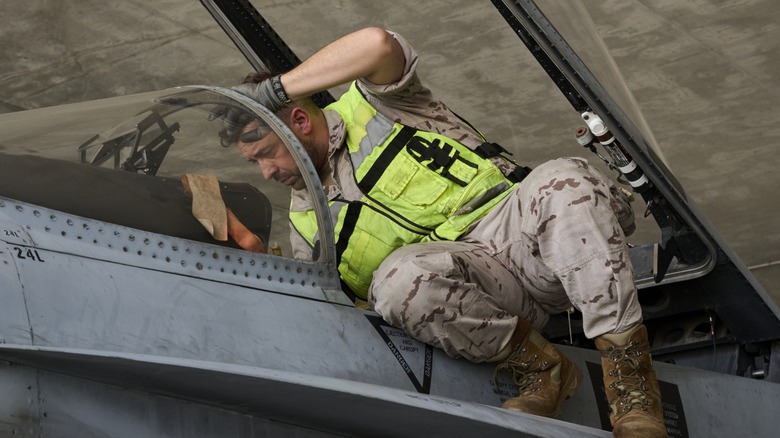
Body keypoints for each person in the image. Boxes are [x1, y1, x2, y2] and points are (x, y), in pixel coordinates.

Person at [224, 27, 667, 437]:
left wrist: (274, 91)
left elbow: (378, 44)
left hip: (529, 237)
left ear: (300, 121)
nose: (266, 173)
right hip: (486, 298)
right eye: (254, 163)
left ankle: (630, 387)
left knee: (563, 180)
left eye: (267, 153)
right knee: (396, 281)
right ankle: (541, 368)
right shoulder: (308, 223)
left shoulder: (379, 105)